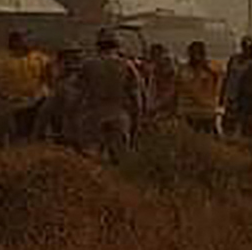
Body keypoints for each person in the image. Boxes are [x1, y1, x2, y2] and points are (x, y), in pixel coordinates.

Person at [76, 29, 146, 160]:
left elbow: (78, 95)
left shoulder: (88, 65)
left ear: (98, 46)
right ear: (117, 45)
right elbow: (137, 101)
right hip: (119, 118)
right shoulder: (127, 66)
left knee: (92, 165)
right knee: (120, 163)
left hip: (93, 118)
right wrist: (136, 127)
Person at [0, 29, 52, 145]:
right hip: (8, 101)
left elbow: (48, 78)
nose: (28, 42)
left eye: (29, 40)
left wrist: (41, 93)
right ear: (14, 41)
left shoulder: (40, 58)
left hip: (35, 100)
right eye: (24, 40)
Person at [175, 40, 225, 134]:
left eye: (198, 53)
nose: (196, 56)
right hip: (188, 112)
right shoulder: (184, 70)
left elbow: (220, 82)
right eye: (193, 53)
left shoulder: (212, 69)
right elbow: (183, 88)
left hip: (207, 113)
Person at [145, 43, 180, 124]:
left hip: (166, 106)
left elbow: (171, 91)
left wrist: (154, 106)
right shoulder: (157, 69)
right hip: (160, 102)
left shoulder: (167, 67)